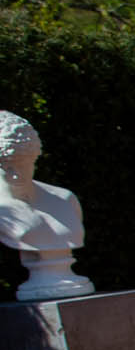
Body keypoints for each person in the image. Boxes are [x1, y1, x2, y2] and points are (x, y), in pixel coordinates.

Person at [0, 111, 93, 301]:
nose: (17, 174)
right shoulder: (4, 212)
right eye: (7, 166)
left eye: (25, 164)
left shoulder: (64, 199)